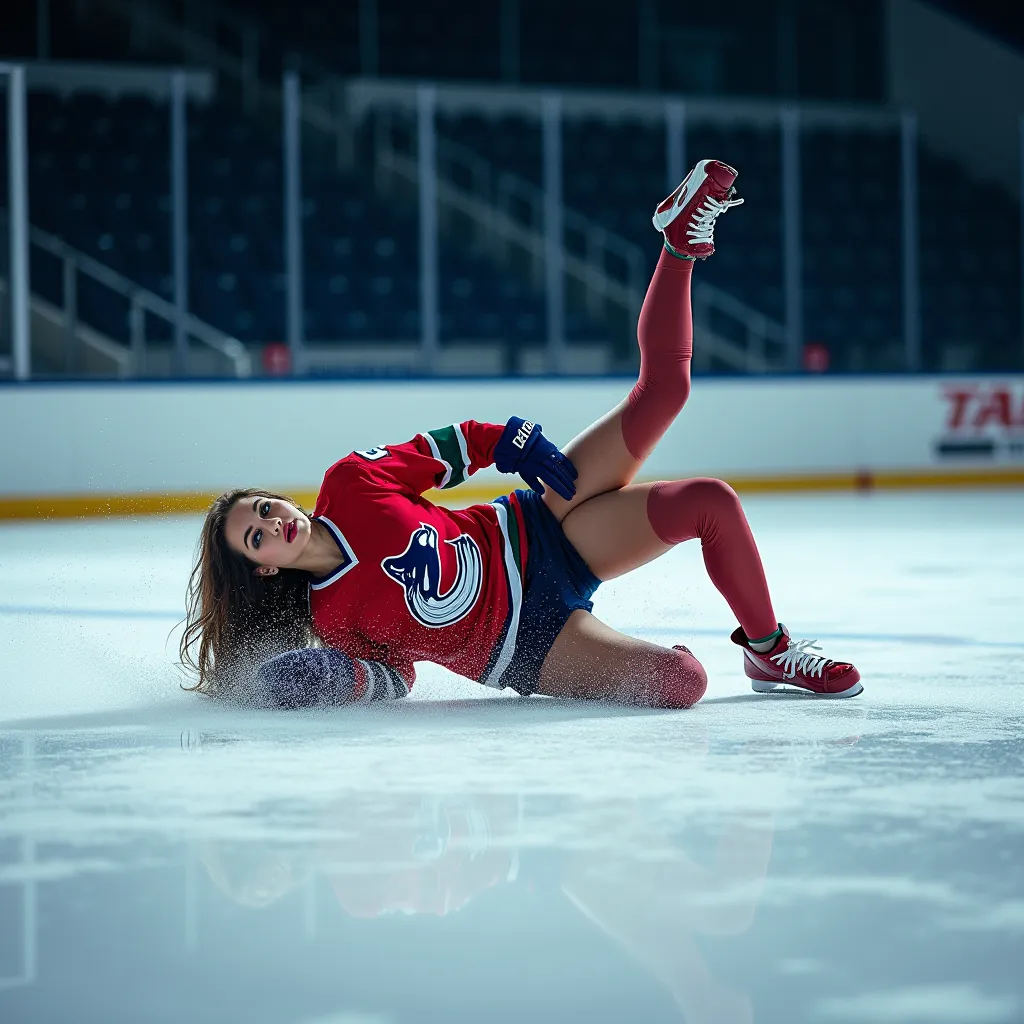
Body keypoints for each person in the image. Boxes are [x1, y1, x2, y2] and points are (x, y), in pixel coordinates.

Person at [180, 159, 862, 709]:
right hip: (527, 641)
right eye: (257, 535)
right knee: (682, 685)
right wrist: (335, 680)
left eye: (266, 507)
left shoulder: (349, 483)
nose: (274, 522)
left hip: (534, 527)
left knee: (685, 440)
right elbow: (399, 680)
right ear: (262, 566)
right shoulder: (334, 619)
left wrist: (506, 439)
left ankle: (768, 649)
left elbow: (445, 450)